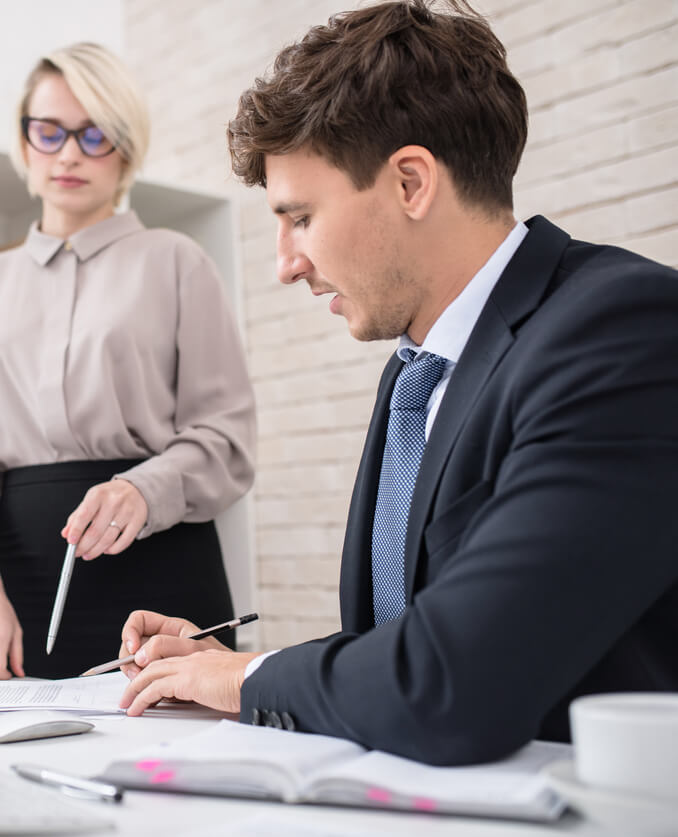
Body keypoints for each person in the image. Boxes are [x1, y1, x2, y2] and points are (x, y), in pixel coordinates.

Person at [116, 0, 678, 766]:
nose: (286, 263)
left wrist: (247, 676)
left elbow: (454, 681)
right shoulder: (414, 374)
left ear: (411, 182)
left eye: (301, 217)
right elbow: (410, 638)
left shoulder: (623, 331)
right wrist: (218, 668)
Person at [0, 42, 256, 681]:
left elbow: (227, 438)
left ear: (126, 149)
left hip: (166, 577)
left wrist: (143, 487)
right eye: (48, 132)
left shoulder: (177, 262)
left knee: (179, 765)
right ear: (24, 145)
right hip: (23, 584)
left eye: (94, 134)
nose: (69, 152)